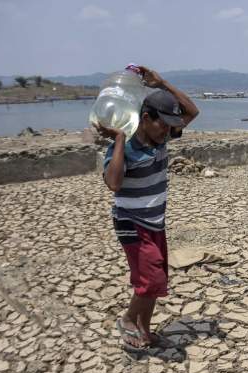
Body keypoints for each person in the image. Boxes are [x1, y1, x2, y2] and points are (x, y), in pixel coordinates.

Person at [94, 66, 199, 350]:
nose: (167, 130)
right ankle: (128, 319)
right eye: (161, 124)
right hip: (131, 223)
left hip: (155, 223)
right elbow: (113, 183)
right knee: (151, 279)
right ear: (145, 118)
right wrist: (117, 139)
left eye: (169, 125)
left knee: (155, 281)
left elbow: (192, 112)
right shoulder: (125, 146)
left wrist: (162, 83)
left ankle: (145, 331)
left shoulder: (161, 137)